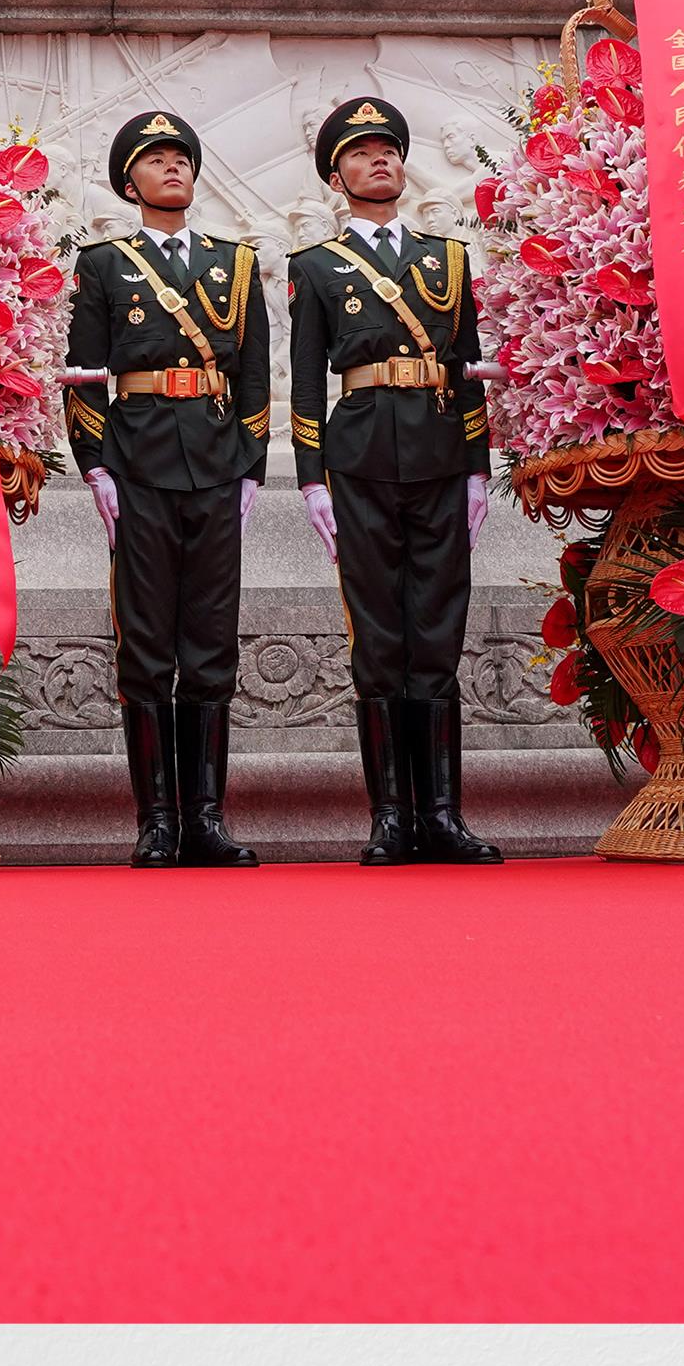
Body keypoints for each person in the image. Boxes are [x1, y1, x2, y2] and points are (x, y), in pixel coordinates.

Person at [287, 96, 498, 866]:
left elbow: (467, 369)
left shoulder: (449, 260)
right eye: (361, 152)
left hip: (440, 453)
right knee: (378, 635)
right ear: (335, 177)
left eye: (389, 150)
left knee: (438, 629)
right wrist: (311, 479)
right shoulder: (315, 268)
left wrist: (477, 469)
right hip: (361, 456)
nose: (380, 160)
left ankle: (441, 815)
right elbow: (304, 380)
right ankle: (390, 818)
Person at [65, 110, 273, 868]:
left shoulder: (234, 264)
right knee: (148, 641)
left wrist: (250, 462)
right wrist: (95, 463)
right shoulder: (104, 265)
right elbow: (84, 372)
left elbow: (255, 372)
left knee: (211, 641)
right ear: (130, 184)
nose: (173, 168)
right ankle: (156, 821)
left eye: (180, 157)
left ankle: (206, 820)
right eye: (155, 160)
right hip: (139, 463)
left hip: (215, 463)